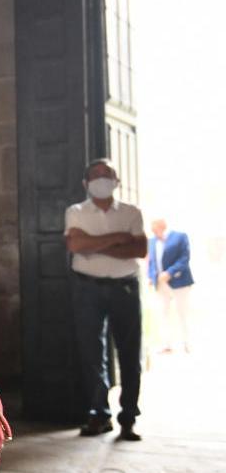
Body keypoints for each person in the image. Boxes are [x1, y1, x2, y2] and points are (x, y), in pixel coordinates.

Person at [64, 158, 147, 441]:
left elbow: (140, 248)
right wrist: (119, 239)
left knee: (129, 353)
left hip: (125, 288)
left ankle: (129, 418)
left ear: (116, 181)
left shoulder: (131, 212)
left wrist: (93, 244)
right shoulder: (75, 211)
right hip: (87, 288)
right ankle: (99, 414)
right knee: (91, 353)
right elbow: (75, 245)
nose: (102, 179)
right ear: (86, 184)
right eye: (96, 175)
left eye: (107, 174)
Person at [147, 218, 194, 353]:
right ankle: (166, 344)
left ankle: (187, 343)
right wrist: (151, 276)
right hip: (160, 284)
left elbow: (184, 258)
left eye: (154, 228)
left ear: (162, 226)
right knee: (162, 313)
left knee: (182, 313)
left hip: (180, 282)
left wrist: (170, 272)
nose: (153, 231)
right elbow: (152, 262)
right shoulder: (152, 241)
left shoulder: (179, 237)